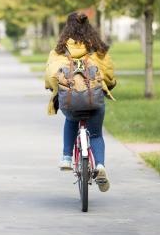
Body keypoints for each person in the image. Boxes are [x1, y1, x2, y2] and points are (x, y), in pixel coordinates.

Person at [44, 12, 117, 192]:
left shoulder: (59, 51)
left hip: (70, 102)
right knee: (96, 135)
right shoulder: (97, 49)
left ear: (66, 28)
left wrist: (52, 87)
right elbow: (108, 74)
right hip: (94, 101)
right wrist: (110, 84)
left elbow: (51, 74)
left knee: (71, 119)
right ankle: (100, 165)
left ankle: (67, 157)